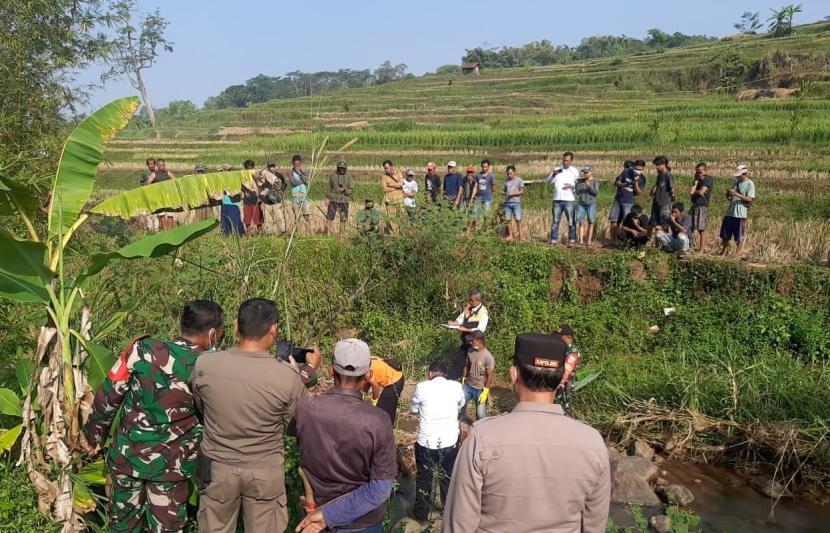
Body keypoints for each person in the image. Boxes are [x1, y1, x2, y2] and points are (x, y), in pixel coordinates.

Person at [442, 333, 611, 533]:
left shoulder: (482, 437)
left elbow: (459, 524)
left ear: (514, 374)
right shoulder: (592, 442)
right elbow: (594, 525)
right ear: (560, 380)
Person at [84, 300, 225, 533]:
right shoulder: (211, 366)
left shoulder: (142, 350)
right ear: (212, 333)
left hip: (127, 458)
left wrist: (93, 436)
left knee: (122, 525)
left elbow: (108, 396)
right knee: (167, 528)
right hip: (170, 467)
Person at [192, 298, 320, 533]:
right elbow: (295, 426)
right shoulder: (286, 376)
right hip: (264, 470)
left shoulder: (204, 364)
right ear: (274, 330)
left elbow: (201, 408)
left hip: (217, 467)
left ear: (235, 326)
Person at [293, 339, 397, 533]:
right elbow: (381, 489)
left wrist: (301, 373)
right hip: (360, 523)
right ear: (368, 375)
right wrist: (329, 515)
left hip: (314, 515)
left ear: (331, 370)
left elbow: (281, 409)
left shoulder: (306, 408)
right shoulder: (378, 420)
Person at [410, 361, 466, 524]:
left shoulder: (422, 387)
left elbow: (414, 409)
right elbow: (461, 405)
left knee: (424, 478)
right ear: (445, 374)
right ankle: (448, 513)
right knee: (447, 477)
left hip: (426, 442)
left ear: (430, 373)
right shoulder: (456, 386)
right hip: (449, 441)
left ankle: (421, 516)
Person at [446, 289, 489, 380]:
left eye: (471, 300)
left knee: (475, 367)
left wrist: (466, 329)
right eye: (469, 300)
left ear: (478, 300)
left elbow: (480, 330)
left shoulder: (483, 313)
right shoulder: (468, 308)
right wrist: (453, 323)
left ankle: (477, 387)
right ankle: (450, 381)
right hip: (466, 342)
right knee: (459, 361)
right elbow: (460, 319)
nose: (469, 302)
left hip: (476, 344)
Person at [719, 164, 756, 257]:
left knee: (739, 235)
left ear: (744, 174)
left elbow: (750, 199)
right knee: (725, 234)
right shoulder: (736, 183)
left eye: (739, 176)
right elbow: (731, 197)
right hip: (730, 211)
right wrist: (728, 194)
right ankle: (723, 251)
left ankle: (737, 253)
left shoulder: (750, 184)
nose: (738, 177)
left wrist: (736, 194)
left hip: (740, 213)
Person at [461, 330, 494, 421]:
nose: (470, 342)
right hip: (468, 386)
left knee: (480, 414)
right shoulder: (470, 351)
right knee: (459, 406)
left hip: (480, 388)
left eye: (472, 341)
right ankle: (459, 428)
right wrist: (463, 380)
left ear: (479, 341)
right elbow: (467, 366)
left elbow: (490, 375)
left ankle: (483, 430)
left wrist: (485, 391)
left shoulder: (488, 356)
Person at [609, 159, 646, 240]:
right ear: (633, 167)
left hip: (629, 202)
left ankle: (626, 241)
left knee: (627, 222)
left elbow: (639, 193)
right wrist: (624, 184)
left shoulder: (642, 178)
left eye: (640, 170)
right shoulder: (626, 171)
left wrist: (636, 182)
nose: (637, 171)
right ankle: (612, 240)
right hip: (618, 199)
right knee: (614, 220)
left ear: (643, 169)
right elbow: (617, 183)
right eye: (636, 169)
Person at [546, 151, 578, 246]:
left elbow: (578, 185)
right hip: (557, 199)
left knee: (571, 221)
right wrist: (553, 175)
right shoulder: (557, 169)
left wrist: (571, 186)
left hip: (569, 200)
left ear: (571, 161)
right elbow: (548, 181)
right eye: (564, 160)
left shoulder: (575, 171)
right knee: (555, 221)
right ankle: (553, 240)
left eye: (567, 161)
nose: (565, 162)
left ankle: (572, 240)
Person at [366, 356, 405, 424]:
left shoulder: (366, 369)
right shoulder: (369, 359)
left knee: (380, 409)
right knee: (390, 407)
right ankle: (389, 427)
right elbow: (367, 382)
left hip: (394, 382)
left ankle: (380, 428)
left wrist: (374, 400)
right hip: (398, 377)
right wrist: (363, 393)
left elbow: (375, 386)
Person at [554, 325, 580, 417]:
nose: (556, 339)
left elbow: (566, 371)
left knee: (563, 411)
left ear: (568, 337)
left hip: (564, 387)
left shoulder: (572, 350)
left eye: (559, 336)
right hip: (556, 385)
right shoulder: (560, 348)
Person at [689, 162, 713, 253]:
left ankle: (701, 250)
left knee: (701, 229)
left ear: (705, 171)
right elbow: (691, 192)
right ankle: (688, 246)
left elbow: (701, 192)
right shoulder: (697, 180)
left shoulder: (708, 179)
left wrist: (695, 190)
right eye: (697, 172)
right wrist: (695, 184)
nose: (698, 174)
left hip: (702, 206)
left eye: (700, 172)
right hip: (694, 205)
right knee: (689, 226)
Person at [147, 159, 177, 230]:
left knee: (170, 215)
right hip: (159, 198)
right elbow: (148, 184)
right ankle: (165, 231)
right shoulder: (154, 174)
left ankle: (170, 231)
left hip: (169, 197)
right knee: (161, 215)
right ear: (157, 166)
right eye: (161, 165)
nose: (163, 166)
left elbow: (176, 181)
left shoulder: (168, 173)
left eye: (164, 165)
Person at [259, 162, 287, 236]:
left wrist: (280, 193)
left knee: (279, 217)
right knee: (268, 219)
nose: (271, 168)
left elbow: (284, 185)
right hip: (267, 200)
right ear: (268, 167)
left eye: (273, 166)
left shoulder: (279, 175)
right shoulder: (264, 176)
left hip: (277, 200)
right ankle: (269, 233)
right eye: (270, 166)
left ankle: (282, 232)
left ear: (275, 167)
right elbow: (261, 187)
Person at [326, 160, 354, 236]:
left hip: (344, 200)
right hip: (333, 199)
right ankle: (328, 234)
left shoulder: (349, 177)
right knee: (329, 217)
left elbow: (351, 190)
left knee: (343, 218)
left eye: (343, 168)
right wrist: (328, 198)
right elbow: (329, 187)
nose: (341, 169)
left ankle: (342, 234)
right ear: (337, 168)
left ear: (346, 168)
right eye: (340, 168)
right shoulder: (333, 175)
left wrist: (345, 189)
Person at [649, 155, 675, 231]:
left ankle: (665, 241)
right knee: (654, 223)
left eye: (658, 165)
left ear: (664, 164)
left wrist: (672, 196)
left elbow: (672, 188)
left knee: (664, 224)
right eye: (656, 165)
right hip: (656, 202)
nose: (656, 167)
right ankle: (658, 241)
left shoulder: (668, 175)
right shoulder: (659, 175)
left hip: (665, 203)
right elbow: (657, 186)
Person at [575, 165, 599, 246]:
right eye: (584, 172)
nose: (585, 174)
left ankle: (588, 242)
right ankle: (581, 241)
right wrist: (577, 184)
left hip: (591, 204)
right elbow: (577, 192)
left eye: (586, 172)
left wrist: (588, 186)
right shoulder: (581, 181)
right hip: (581, 203)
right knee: (581, 222)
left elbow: (595, 193)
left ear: (591, 172)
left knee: (591, 222)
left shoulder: (595, 182)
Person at [288, 154, 311, 233]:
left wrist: (300, 174)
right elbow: (294, 182)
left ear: (301, 164)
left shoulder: (305, 171)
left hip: (304, 195)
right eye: (295, 164)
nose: (297, 166)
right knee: (297, 216)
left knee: (306, 215)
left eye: (298, 164)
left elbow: (306, 179)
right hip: (295, 196)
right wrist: (303, 180)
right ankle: (298, 232)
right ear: (292, 164)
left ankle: (308, 232)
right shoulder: (290, 172)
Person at [381, 159, 404, 234]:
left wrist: (390, 185)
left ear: (392, 166)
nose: (386, 170)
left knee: (400, 216)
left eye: (387, 168)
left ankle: (401, 233)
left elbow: (401, 184)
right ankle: (394, 234)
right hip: (389, 199)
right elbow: (384, 188)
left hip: (399, 199)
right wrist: (396, 187)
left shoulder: (398, 173)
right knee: (391, 218)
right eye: (385, 168)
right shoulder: (384, 177)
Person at [502, 165, 525, 241]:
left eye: (511, 173)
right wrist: (503, 193)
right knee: (508, 220)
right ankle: (511, 235)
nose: (509, 175)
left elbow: (521, 191)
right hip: (507, 203)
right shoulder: (506, 181)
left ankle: (521, 236)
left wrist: (513, 194)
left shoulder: (519, 180)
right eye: (508, 173)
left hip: (516, 203)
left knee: (518, 219)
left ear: (514, 172)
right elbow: (504, 190)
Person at [241, 159, 263, 236]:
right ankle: (249, 234)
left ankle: (259, 234)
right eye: (247, 168)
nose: (249, 169)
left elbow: (261, 185)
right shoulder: (243, 176)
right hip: (247, 201)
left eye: (251, 167)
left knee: (258, 220)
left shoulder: (257, 175)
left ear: (253, 167)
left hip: (256, 201)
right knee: (247, 220)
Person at [472, 159, 495, 228]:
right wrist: (473, 197)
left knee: (486, 215)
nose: (484, 168)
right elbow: (475, 187)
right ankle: (472, 229)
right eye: (482, 166)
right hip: (479, 197)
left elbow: (493, 188)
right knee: (474, 213)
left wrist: (489, 194)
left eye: (485, 166)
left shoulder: (491, 176)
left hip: (488, 198)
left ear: (488, 167)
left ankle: (484, 229)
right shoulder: (478, 175)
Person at [139, 158, 159, 231]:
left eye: (152, 164)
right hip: (147, 194)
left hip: (156, 194)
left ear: (155, 164)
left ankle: (156, 229)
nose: (151, 165)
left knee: (156, 212)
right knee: (148, 213)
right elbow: (141, 183)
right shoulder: (144, 173)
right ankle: (150, 229)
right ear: (147, 165)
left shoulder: (157, 172)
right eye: (150, 164)